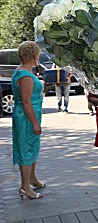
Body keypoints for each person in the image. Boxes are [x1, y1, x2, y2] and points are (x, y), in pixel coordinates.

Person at [11, 41, 45, 200]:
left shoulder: (22, 71)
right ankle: (25, 187)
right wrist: (35, 123)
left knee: (32, 146)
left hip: (28, 115)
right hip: (26, 117)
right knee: (26, 149)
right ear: (33, 56)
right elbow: (25, 101)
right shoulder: (25, 75)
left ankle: (32, 178)